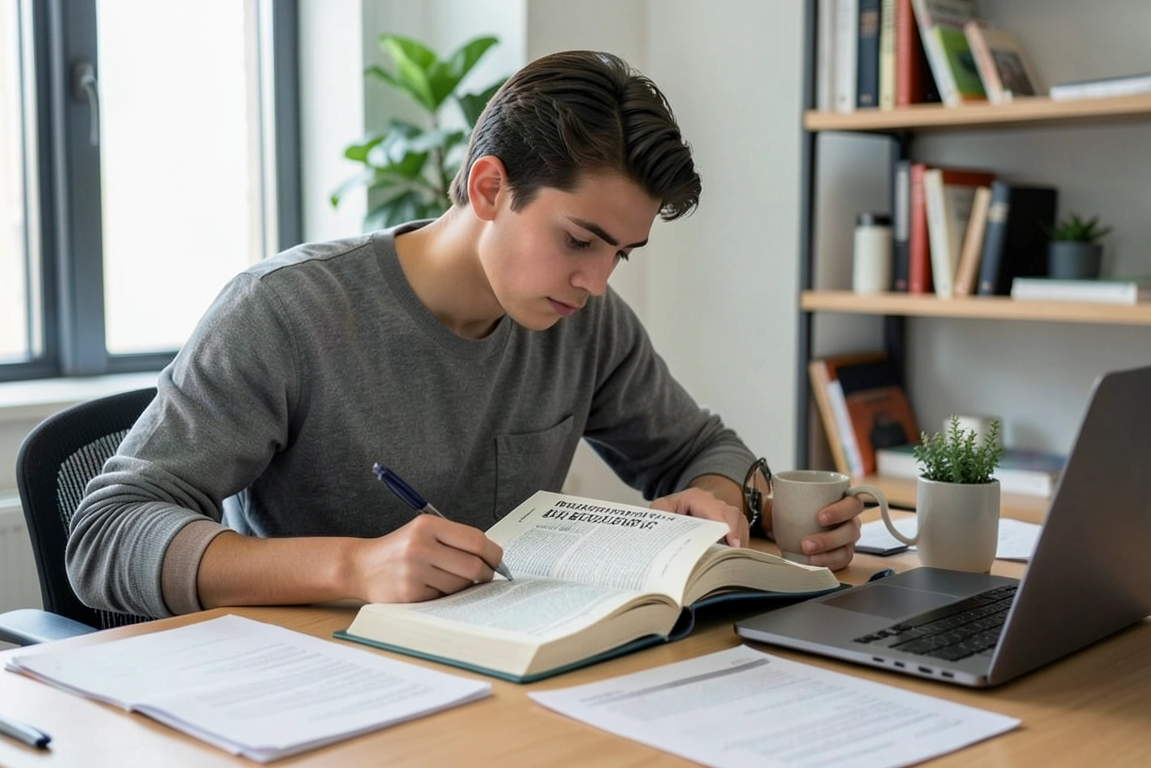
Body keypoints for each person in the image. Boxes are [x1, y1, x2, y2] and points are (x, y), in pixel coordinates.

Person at [67, 50, 863, 619]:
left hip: (503, 679)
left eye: (621, 253)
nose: (597, 281)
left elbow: (706, 448)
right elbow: (107, 533)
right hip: (318, 686)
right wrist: (357, 564)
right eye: (580, 240)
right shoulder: (285, 311)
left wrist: (719, 500)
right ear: (489, 187)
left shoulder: (583, 321)